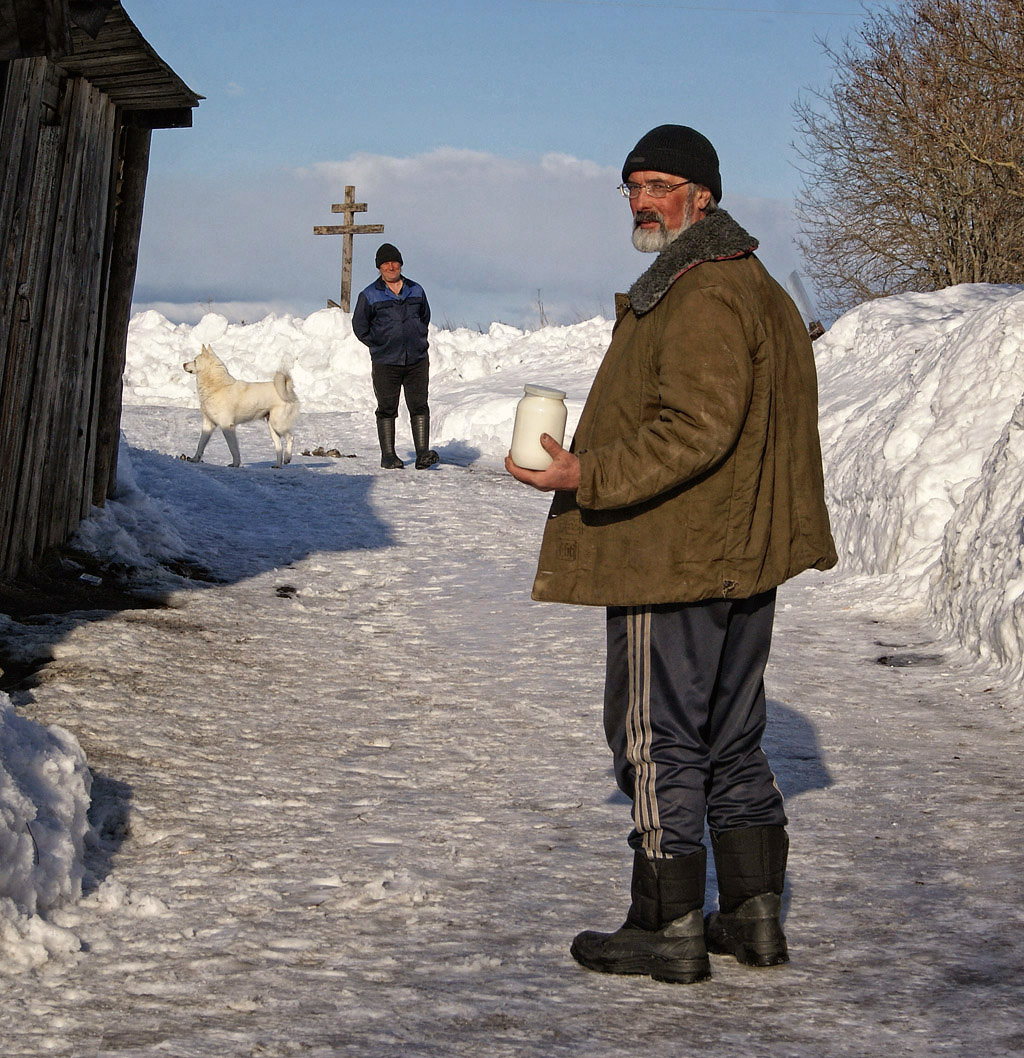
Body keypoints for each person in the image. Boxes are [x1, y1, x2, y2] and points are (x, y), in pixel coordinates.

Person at [506, 125, 837, 984]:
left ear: (704, 196)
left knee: (656, 739)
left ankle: (668, 924)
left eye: (660, 184)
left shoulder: (700, 292)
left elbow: (698, 427)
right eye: (632, 186)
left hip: (677, 551)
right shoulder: (751, 284)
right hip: (737, 554)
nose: (643, 201)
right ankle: (754, 919)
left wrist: (588, 471)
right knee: (731, 737)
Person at [352, 243, 439, 470]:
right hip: (385, 362)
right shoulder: (369, 295)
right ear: (379, 267)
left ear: (401, 263)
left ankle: (422, 454)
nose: (391, 266)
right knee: (387, 407)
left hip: (416, 359)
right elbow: (360, 326)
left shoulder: (416, 290)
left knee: (419, 405)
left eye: (394, 262)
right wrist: (380, 344)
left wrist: (417, 337)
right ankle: (388, 456)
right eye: (386, 263)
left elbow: (424, 317)